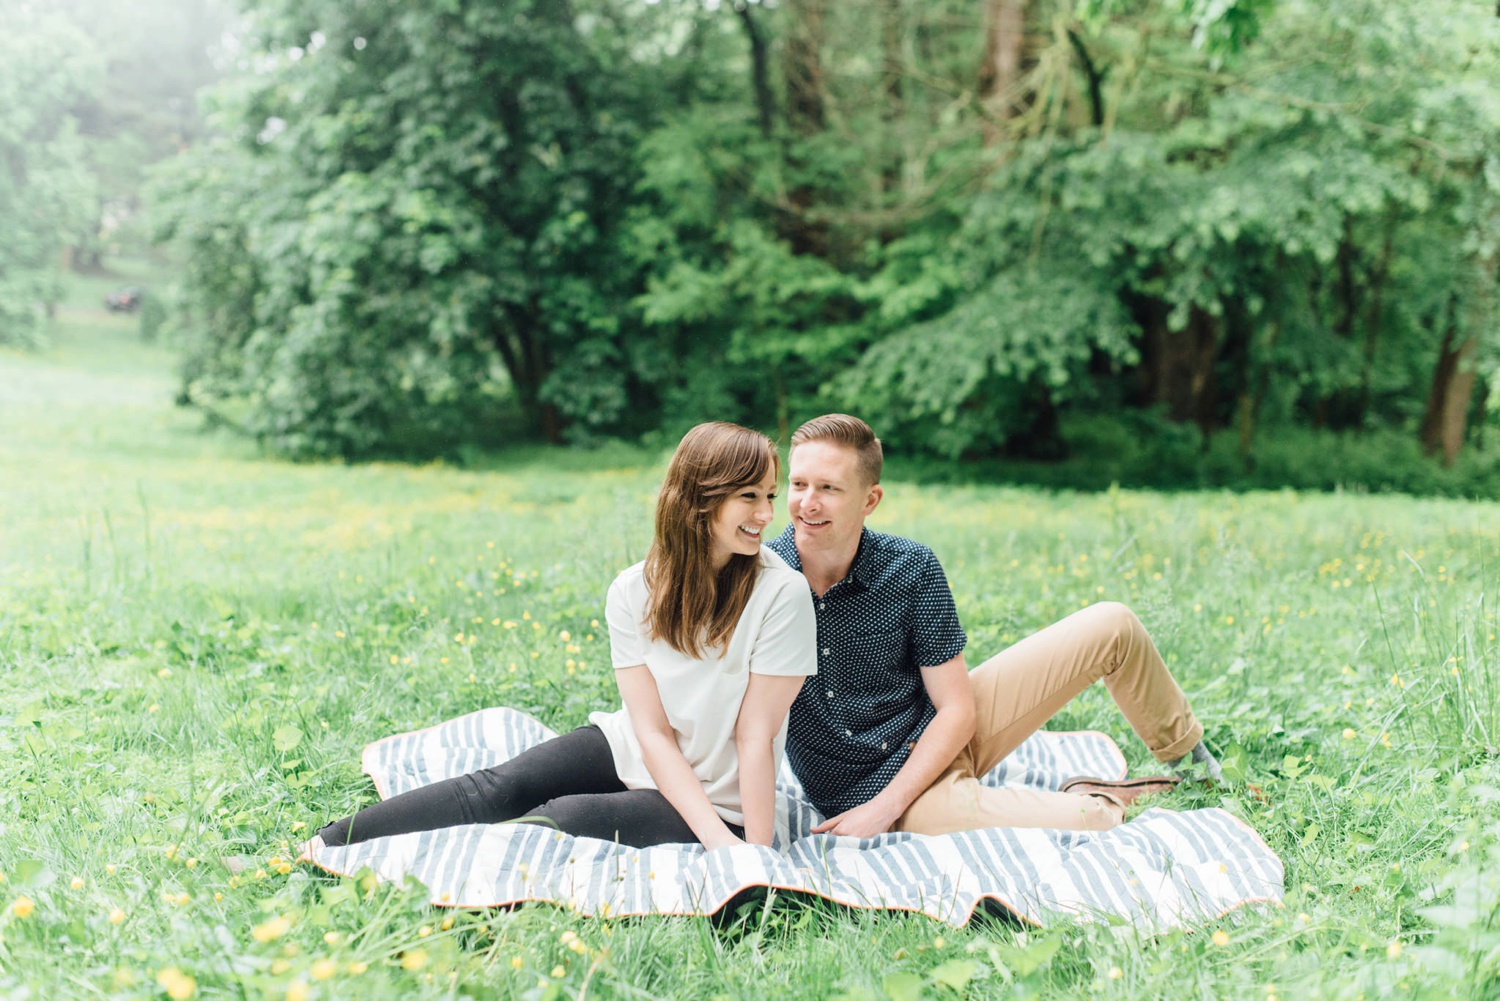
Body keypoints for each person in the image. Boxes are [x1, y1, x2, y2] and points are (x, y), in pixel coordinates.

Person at [306, 422, 816, 852]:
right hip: (637, 748)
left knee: (557, 820)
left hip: (719, 799)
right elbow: (653, 732)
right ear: (698, 499)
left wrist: (743, 849)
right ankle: (320, 847)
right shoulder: (633, 589)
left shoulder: (781, 594)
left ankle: (420, 867)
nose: (767, 515)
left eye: (769, 495)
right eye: (749, 496)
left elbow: (756, 736)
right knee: (502, 787)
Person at [766, 414, 1221, 838]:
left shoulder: (911, 567)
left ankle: (1201, 772)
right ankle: (1108, 795)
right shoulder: (761, 580)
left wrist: (890, 804)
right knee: (1089, 820)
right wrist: (883, 809)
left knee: (1113, 624)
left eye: (828, 487)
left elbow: (958, 709)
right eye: (799, 483)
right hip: (878, 794)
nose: (808, 502)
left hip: (943, 736)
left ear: (870, 500)